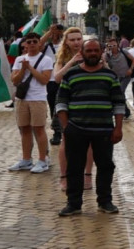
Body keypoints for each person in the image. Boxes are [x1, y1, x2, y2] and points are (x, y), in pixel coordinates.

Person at [55, 39, 125, 216]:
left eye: (96, 50)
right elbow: (61, 103)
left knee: (106, 166)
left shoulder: (110, 76)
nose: (92, 53)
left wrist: (118, 128)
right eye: (89, 51)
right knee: (74, 167)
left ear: (101, 52)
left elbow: (118, 104)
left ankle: (105, 201)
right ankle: (74, 204)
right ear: (83, 53)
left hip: (103, 130)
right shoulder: (71, 74)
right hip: (76, 129)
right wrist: (66, 127)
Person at [53, 27, 93, 192]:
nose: (76, 42)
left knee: (90, 141)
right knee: (66, 140)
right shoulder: (62, 58)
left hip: (88, 101)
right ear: (66, 42)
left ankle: (88, 176)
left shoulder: (91, 54)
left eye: (79, 39)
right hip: (67, 102)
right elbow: (57, 78)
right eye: (72, 40)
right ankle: (64, 176)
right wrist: (71, 62)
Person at [7, 32, 54, 174]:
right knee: (24, 129)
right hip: (22, 99)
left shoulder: (46, 60)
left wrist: (30, 68)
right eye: (29, 42)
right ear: (25, 44)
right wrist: (23, 68)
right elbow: (14, 80)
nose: (32, 44)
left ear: (40, 43)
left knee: (39, 129)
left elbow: (44, 80)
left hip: (37, 98)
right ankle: (26, 160)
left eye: (35, 41)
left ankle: (42, 160)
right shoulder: (19, 59)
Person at [40, 24, 65, 145]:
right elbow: (39, 43)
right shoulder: (46, 46)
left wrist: (62, 34)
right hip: (50, 80)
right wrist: (50, 31)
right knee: (53, 106)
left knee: (61, 105)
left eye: (58, 32)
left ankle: (61, 131)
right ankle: (57, 131)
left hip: (63, 79)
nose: (56, 35)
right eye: (53, 33)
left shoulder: (64, 46)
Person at [103, 37, 134, 119]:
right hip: (116, 78)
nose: (113, 46)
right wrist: (106, 51)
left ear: (117, 44)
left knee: (120, 92)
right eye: (110, 45)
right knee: (120, 94)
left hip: (125, 76)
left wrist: (130, 69)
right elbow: (103, 61)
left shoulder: (123, 51)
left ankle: (124, 112)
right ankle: (125, 111)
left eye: (114, 44)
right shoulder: (108, 55)